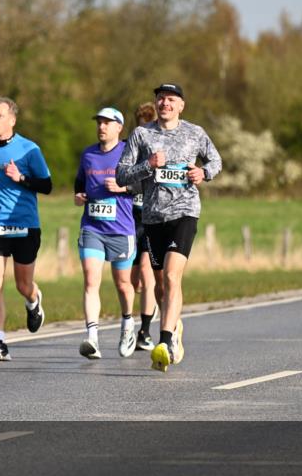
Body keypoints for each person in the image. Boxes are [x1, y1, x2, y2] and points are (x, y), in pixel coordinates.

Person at [116, 83, 222, 372]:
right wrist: (147, 165)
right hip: (152, 217)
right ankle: (174, 326)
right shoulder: (141, 134)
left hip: (185, 212)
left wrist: (203, 172)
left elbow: (216, 160)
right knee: (161, 285)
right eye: (161, 99)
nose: (165, 103)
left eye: (171, 99)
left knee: (173, 276)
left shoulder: (195, 133)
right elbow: (121, 174)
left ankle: (164, 342)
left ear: (181, 105)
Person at [0, 97, 51, 361]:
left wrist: (20, 177)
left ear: (12, 120)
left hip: (25, 224)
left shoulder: (29, 149)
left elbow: (47, 186)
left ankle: (33, 300)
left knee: (23, 285)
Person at [73, 107, 138, 359]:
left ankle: (128, 324)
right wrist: (78, 195)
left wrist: (123, 187)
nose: (101, 127)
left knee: (123, 284)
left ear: (119, 127)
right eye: (99, 122)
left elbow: (143, 184)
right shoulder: (88, 154)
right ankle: (92, 338)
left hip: (121, 229)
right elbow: (80, 182)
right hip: (92, 228)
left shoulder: (128, 153)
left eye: (107, 123)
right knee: (91, 280)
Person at [129, 101, 158, 351]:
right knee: (134, 282)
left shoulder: (163, 152)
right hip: (131, 220)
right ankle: (149, 308)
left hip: (151, 219)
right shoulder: (129, 149)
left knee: (148, 275)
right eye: (141, 127)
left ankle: (144, 331)